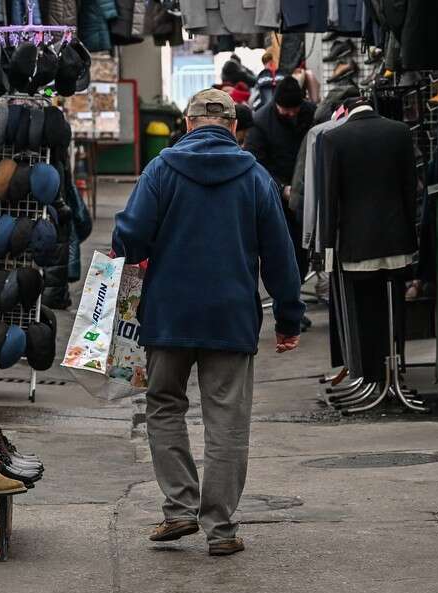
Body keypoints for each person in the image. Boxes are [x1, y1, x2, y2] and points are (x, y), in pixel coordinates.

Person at [111, 88, 305, 557]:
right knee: (227, 422)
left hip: (168, 314)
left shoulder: (161, 169)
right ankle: (220, 529)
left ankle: (179, 509)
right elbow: (280, 254)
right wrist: (288, 318)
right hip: (231, 318)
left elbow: (130, 238)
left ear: (188, 124)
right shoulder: (255, 176)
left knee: (163, 406)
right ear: (235, 127)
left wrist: (134, 251)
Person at [244, 77, 316, 319]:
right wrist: (281, 187)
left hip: (305, 195)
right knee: (283, 254)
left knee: (302, 252)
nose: (292, 113)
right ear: (276, 104)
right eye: (287, 109)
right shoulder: (261, 122)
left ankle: (292, 304)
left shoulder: (309, 113)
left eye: (296, 108)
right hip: (277, 197)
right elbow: (256, 163)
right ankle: (288, 307)